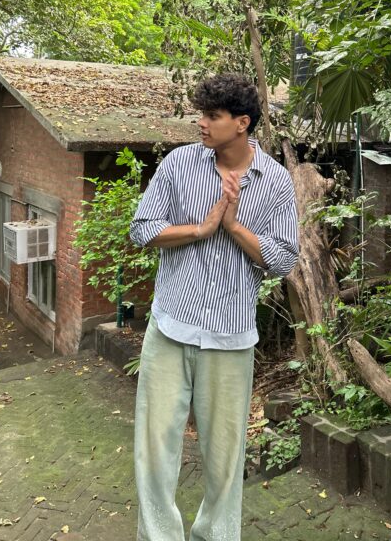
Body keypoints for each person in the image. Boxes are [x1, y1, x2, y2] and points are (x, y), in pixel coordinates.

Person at [130, 73, 299, 541]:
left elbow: (284, 259)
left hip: (231, 337)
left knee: (225, 456)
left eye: (212, 116)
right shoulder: (180, 164)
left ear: (242, 123)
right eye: (201, 113)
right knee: (153, 447)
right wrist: (201, 229)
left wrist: (233, 226)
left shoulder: (277, 182)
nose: (200, 123)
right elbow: (142, 228)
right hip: (168, 328)